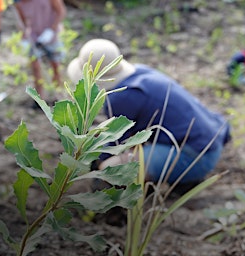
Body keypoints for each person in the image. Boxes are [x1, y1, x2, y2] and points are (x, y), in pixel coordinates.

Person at [67, 38, 231, 195]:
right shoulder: (140, 71)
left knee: (110, 169)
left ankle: (124, 201)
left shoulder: (121, 97)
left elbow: (115, 145)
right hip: (209, 142)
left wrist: (93, 164)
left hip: (195, 158)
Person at [14, 0, 66, 104]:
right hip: (34, 37)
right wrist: (24, 36)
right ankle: (39, 99)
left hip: (51, 36)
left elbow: (61, 11)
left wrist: (52, 30)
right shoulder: (18, 3)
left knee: (56, 66)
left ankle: (59, 96)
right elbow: (22, 21)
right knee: (36, 67)